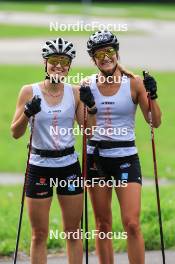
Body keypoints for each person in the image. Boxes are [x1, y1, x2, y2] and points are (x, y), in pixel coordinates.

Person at [11, 37, 97, 264]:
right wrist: (27, 113)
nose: (59, 66)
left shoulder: (76, 92)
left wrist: (92, 107)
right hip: (39, 166)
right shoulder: (28, 91)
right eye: (54, 60)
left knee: (73, 232)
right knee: (39, 234)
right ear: (45, 63)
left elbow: (89, 132)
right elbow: (15, 132)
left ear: (69, 66)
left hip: (68, 166)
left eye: (64, 61)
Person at [84, 30, 162, 264]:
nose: (106, 57)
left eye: (109, 51)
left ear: (116, 53)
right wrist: (89, 107)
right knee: (103, 224)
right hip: (97, 157)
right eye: (100, 53)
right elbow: (86, 132)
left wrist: (152, 95)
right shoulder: (86, 85)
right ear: (93, 59)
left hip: (126, 157)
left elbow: (154, 122)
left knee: (132, 223)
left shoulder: (134, 82)